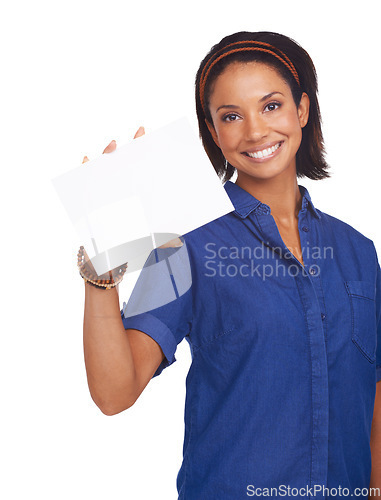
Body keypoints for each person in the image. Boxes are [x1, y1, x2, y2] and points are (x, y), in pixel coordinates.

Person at [80, 31, 381, 499]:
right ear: (213, 131)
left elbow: (374, 398)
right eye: (232, 116)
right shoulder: (187, 243)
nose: (256, 131)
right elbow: (116, 392)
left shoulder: (358, 251)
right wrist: (102, 276)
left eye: (271, 106)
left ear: (302, 110)